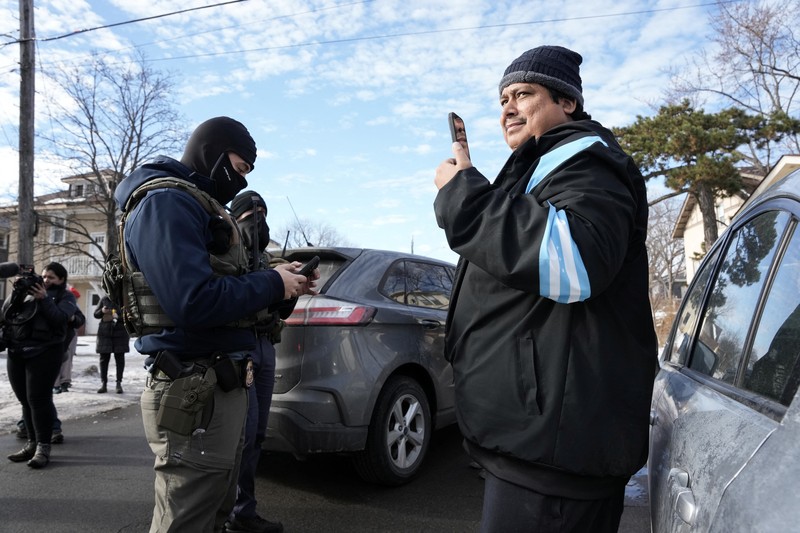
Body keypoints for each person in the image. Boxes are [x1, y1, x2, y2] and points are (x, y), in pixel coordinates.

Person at [433, 45, 657, 532]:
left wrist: (463, 197)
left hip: (554, 460)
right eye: (502, 100)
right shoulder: (543, 167)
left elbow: (575, 260)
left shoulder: (589, 162)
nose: (508, 109)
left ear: (567, 102)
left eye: (523, 94)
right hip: (533, 447)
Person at [114, 116, 317, 533]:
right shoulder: (166, 202)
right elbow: (193, 301)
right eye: (239, 170)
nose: (241, 183)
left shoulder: (196, 203)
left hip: (220, 380)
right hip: (193, 385)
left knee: (215, 508)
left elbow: (226, 291)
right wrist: (271, 283)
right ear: (213, 155)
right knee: (186, 517)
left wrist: (280, 283)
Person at [225, 191, 296, 533]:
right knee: (242, 431)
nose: (259, 222)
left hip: (266, 344)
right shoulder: (226, 254)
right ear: (234, 219)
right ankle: (227, 511)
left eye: (263, 214)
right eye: (251, 215)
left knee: (256, 434)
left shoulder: (267, 260)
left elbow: (278, 308)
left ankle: (243, 510)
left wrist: (292, 288)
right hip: (243, 347)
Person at [3, 262, 78, 469]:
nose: (45, 280)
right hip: (17, 352)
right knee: (25, 401)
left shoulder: (66, 297)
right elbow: (6, 315)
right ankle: (31, 444)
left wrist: (44, 299)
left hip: (45, 352)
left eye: (51, 277)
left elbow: (60, 320)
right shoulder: (24, 294)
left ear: (61, 279)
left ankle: (43, 448)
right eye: (44, 276)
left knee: (38, 400)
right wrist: (17, 293)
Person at [93, 294, 130, 394]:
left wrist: (118, 316)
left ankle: (119, 383)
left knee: (120, 359)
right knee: (104, 359)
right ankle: (104, 383)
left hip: (120, 333)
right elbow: (95, 314)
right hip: (104, 334)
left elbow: (130, 315)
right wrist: (102, 311)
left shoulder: (124, 298)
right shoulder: (104, 299)